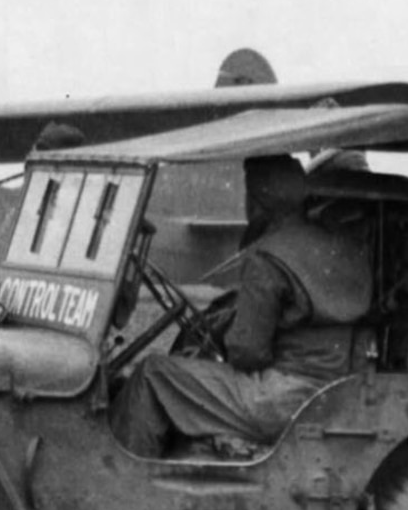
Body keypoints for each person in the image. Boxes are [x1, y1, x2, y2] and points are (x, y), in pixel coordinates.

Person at [113, 155, 373, 458]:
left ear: (258, 201)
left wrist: (225, 340)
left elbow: (248, 351)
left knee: (152, 373)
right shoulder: (340, 245)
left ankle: (119, 481)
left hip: (282, 397)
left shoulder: (267, 256)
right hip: (334, 389)